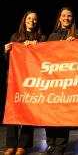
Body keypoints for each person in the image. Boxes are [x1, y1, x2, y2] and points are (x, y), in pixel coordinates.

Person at [4, 10, 46, 155]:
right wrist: (6, 51)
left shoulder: (42, 37)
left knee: (28, 112)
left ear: (37, 22)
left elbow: (45, 59)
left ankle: (22, 145)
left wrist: (38, 47)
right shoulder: (15, 37)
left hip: (32, 81)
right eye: (29, 18)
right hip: (14, 80)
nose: (31, 21)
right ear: (24, 20)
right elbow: (9, 59)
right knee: (12, 111)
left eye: (34, 19)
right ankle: (11, 145)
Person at [40, 7, 78, 155]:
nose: (66, 18)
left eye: (69, 16)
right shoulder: (51, 36)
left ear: (72, 19)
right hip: (52, 82)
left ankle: (60, 147)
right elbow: (43, 57)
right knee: (50, 115)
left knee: (64, 116)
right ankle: (50, 144)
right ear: (59, 18)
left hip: (68, 83)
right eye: (63, 15)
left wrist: (76, 43)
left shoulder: (77, 35)